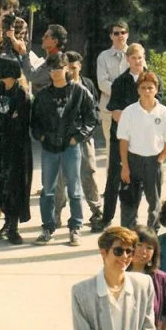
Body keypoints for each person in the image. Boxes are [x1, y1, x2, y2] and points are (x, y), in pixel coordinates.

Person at [32, 53, 96, 246]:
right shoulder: (42, 95)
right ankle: (48, 227)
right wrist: (42, 137)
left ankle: (75, 227)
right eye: (52, 69)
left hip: (71, 147)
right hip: (49, 148)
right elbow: (34, 123)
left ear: (67, 68)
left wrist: (77, 138)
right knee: (48, 190)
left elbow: (91, 119)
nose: (56, 73)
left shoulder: (79, 92)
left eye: (59, 68)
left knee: (75, 190)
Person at [117, 71, 166, 233]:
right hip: (133, 159)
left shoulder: (164, 113)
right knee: (130, 201)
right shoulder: (129, 111)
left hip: (153, 161)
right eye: (143, 88)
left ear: (156, 89)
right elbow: (123, 140)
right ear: (138, 90)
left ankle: (152, 233)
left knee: (154, 201)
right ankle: (128, 233)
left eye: (150, 87)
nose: (147, 91)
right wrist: (125, 166)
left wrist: (160, 159)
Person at [0, 56, 34, 243]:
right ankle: (6, 224)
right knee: (1, 184)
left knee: (14, 184)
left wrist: (1, 118)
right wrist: (5, 118)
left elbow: (20, 122)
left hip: (17, 147)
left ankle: (13, 227)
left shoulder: (21, 94)